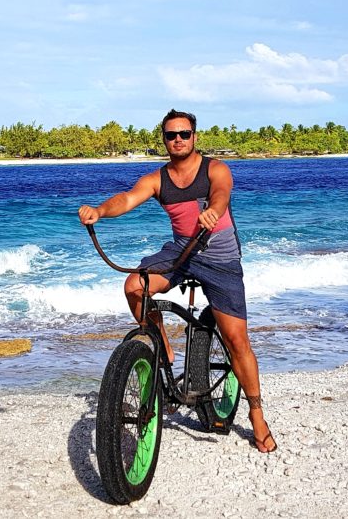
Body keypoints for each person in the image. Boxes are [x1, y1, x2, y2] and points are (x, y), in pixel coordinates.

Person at [78, 109, 277, 453]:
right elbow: (127, 198)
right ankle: (164, 350)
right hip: (182, 252)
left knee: (236, 340)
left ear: (194, 136)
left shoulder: (215, 168)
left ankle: (257, 415)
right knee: (134, 287)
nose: (178, 140)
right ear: (165, 140)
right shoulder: (158, 179)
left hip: (220, 258)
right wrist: (100, 211)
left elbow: (221, 193)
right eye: (171, 135)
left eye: (184, 133)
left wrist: (214, 209)